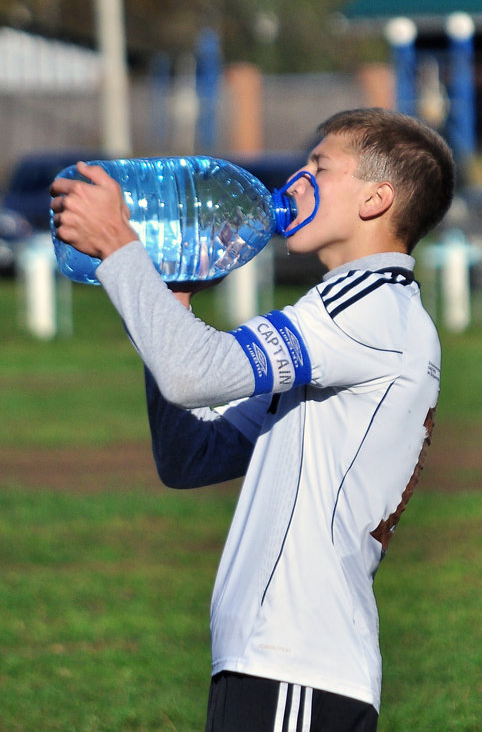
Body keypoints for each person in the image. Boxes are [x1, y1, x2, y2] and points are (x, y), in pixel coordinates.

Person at [50, 108, 456, 731]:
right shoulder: (347, 321)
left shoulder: (367, 307)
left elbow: (194, 373)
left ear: (377, 199)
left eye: (320, 167)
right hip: (273, 666)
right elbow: (191, 457)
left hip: (298, 668)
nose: (295, 180)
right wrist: (169, 300)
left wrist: (120, 246)